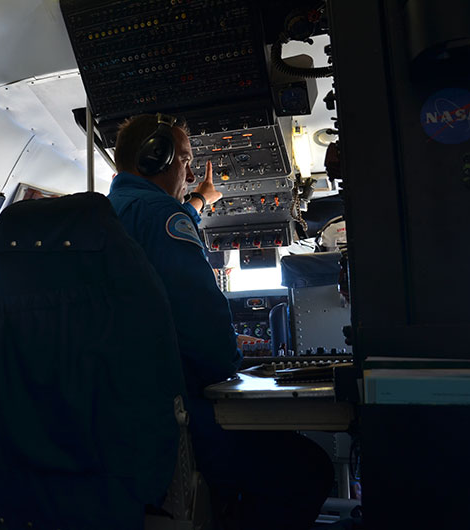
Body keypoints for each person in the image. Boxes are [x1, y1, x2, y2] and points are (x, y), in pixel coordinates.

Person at [107, 114, 334, 530]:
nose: (191, 172)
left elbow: (161, 234)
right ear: (155, 157)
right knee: (309, 467)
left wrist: (199, 201)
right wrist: (239, 366)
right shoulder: (161, 216)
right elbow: (206, 334)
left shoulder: (107, 214)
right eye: (185, 160)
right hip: (176, 417)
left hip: (120, 418)